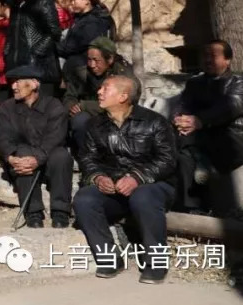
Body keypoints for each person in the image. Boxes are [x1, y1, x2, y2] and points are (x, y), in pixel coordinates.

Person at [73, 75, 177, 284]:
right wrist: (98, 177)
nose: (99, 92)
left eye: (106, 88)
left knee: (143, 197)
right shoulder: (95, 125)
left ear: (123, 96)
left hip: (153, 186)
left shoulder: (154, 122)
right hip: (114, 189)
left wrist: (137, 177)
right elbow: (88, 158)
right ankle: (109, 258)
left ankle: (156, 263)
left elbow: (168, 160)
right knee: (84, 199)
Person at [173, 40, 243, 212]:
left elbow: (232, 106)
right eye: (204, 55)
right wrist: (180, 119)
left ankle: (201, 167)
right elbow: (183, 105)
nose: (207, 60)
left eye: (213, 55)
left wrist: (200, 121)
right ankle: (193, 208)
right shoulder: (195, 83)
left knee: (188, 148)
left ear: (227, 60)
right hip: (199, 136)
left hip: (234, 137)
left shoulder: (241, 80)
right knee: (181, 156)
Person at [0, 66, 73, 228]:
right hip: (22, 160)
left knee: (62, 156)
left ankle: (60, 211)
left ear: (35, 84)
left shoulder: (54, 106)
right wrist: (10, 157)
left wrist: (37, 158)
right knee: (21, 153)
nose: (13, 86)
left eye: (18, 82)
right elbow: (2, 137)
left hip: (48, 156)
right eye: (13, 82)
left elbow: (55, 138)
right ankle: (33, 212)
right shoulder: (7, 108)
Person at [62, 37, 131, 152]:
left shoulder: (123, 75)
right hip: (88, 117)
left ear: (109, 60)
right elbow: (69, 96)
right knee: (79, 120)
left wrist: (84, 106)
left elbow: (121, 105)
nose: (92, 65)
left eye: (96, 60)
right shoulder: (82, 73)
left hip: (113, 117)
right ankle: (86, 156)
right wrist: (71, 106)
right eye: (89, 60)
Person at [4, 0, 61, 96]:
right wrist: (7, 51)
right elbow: (11, 34)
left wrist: (36, 52)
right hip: (16, 67)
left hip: (39, 67)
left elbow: (54, 32)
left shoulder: (42, 2)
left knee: (41, 108)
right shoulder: (16, 7)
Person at [56, 0, 113, 99]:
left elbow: (74, 45)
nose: (73, 2)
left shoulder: (93, 22)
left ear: (86, 0)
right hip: (75, 69)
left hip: (84, 72)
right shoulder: (81, 19)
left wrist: (54, 47)